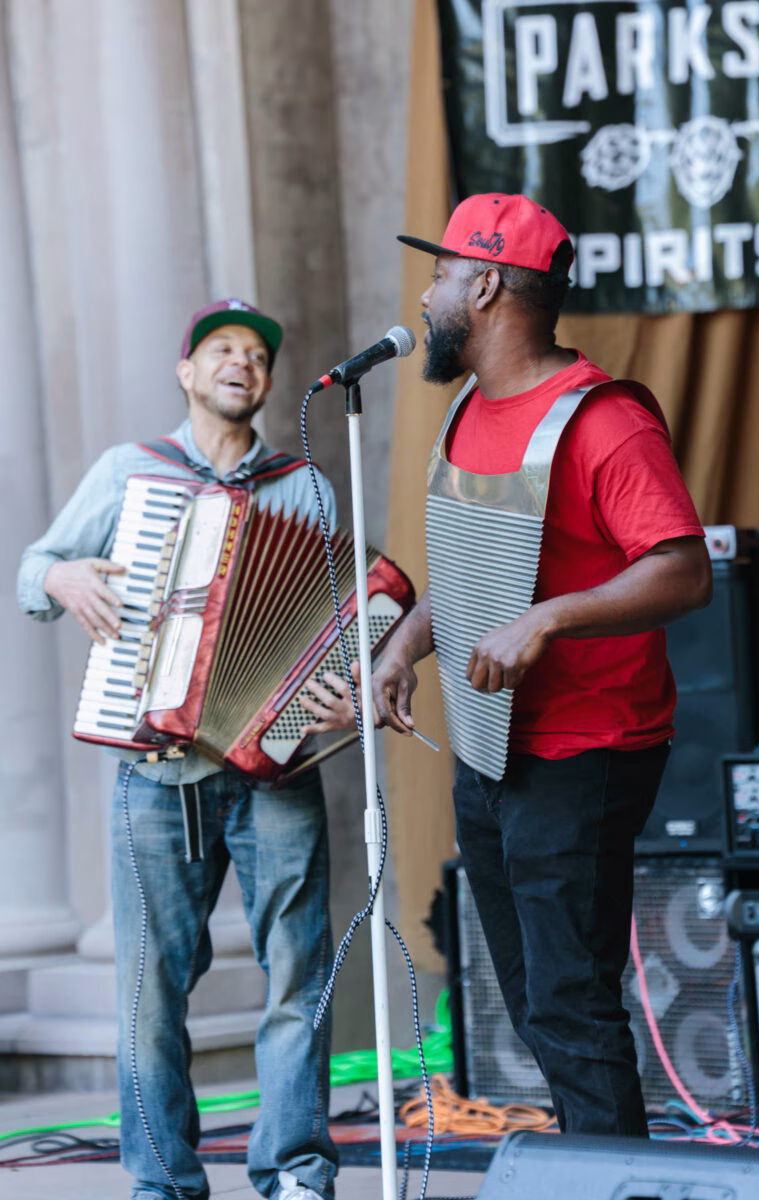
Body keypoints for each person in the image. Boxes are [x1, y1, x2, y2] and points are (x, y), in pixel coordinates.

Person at [349, 193, 712, 1136]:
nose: (425, 295)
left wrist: (548, 619)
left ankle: (615, 1180)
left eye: (439, 275)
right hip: (490, 746)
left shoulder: (603, 421)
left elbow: (684, 572)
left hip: (584, 751)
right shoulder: (470, 406)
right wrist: (404, 647)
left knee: (570, 1001)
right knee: (533, 1000)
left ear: (488, 283)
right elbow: (476, 565)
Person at [17, 299, 339, 1200]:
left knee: (297, 978)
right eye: (222, 350)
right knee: (150, 995)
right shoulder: (130, 473)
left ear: (268, 382)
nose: (243, 362)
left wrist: (340, 686)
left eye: (257, 354)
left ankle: (297, 1177)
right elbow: (29, 574)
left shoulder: (306, 488)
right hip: (153, 772)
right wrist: (62, 573)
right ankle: (163, 1184)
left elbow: (327, 627)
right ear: (187, 373)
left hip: (274, 770)